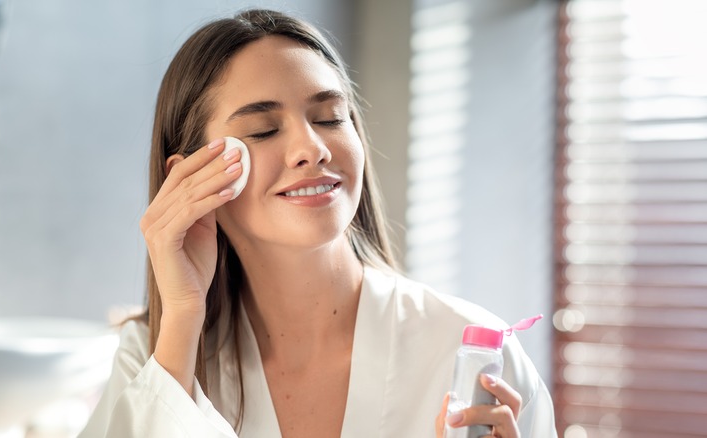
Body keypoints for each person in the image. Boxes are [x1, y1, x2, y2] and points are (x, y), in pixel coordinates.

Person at [79, 8, 556, 438]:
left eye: (330, 118)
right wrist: (182, 318)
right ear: (190, 178)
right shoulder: (152, 355)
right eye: (263, 130)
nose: (313, 148)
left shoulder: (472, 357)